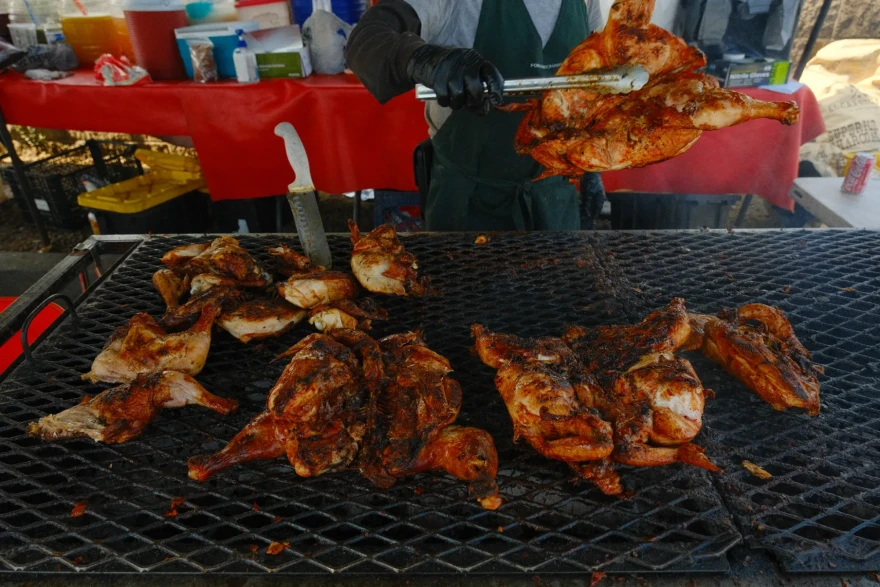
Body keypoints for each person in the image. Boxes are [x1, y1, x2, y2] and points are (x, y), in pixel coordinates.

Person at [345, 0, 607, 231]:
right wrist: (424, 58)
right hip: (467, 206)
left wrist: (591, 170)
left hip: (555, 202)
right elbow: (366, 40)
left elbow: (596, 87)